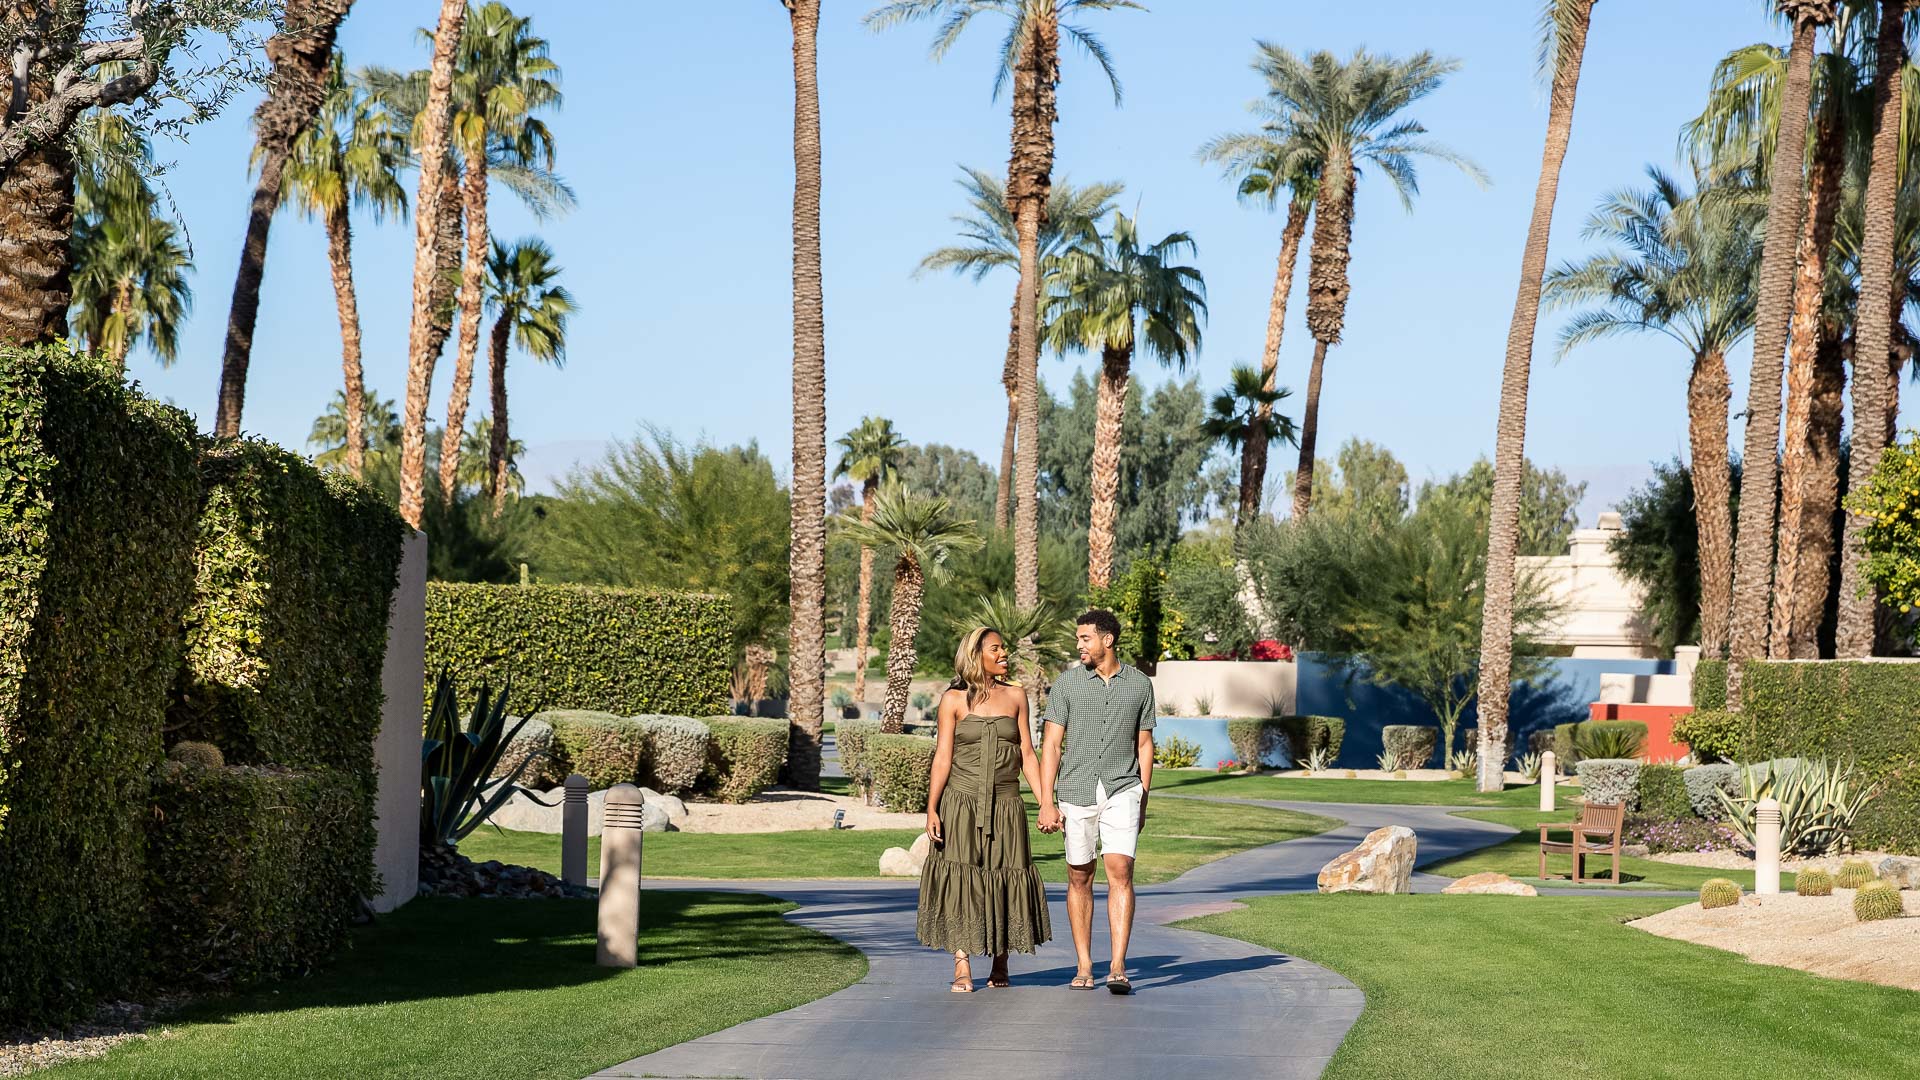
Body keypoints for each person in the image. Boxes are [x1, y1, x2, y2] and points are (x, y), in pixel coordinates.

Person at [916, 626, 1053, 992]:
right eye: (996, 648)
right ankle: (962, 962)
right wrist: (932, 808)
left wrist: (1046, 804)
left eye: (1003, 647)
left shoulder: (1017, 696)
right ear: (976, 655)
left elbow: (1026, 753)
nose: (1004, 652)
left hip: (1007, 804)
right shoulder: (953, 700)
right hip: (960, 803)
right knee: (963, 880)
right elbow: (943, 756)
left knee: (1006, 874)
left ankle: (1001, 959)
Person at [1036, 608, 1155, 994]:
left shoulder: (1140, 684)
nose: (1079, 645)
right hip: (1076, 790)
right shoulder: (1067, 684)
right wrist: (1046, 801)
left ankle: (1118, 965)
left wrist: (1144, 798)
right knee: (1079, 875)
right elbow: (1051, 744)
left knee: (1120, 870)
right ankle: (1085, 964)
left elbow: (1144, 743)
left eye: (1085, 638)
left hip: (1124, 787)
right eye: (1078, 638)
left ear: (1108, 639)